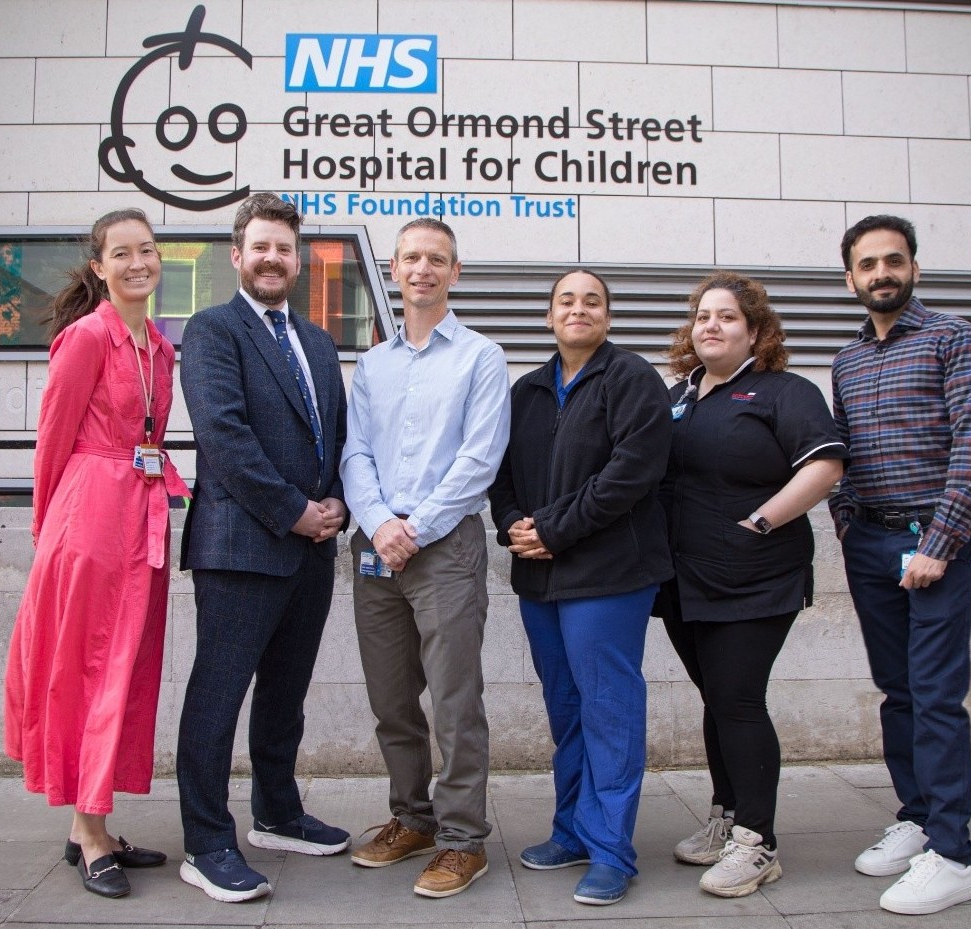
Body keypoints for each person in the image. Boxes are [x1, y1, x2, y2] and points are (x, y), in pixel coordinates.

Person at [4, 208, 190, 898]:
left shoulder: (159, 348)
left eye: (148, 250)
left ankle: (99, 820)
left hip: (139, 518)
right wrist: (49, 530)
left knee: (124, 670)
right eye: (123, 253)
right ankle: (86, 833)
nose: (138, 262)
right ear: (99, 267)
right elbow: (50, 444)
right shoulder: (86, 338)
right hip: (87, 522)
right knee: (89, 667)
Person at [177, 192, 351, 903]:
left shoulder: (316, 341)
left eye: (284, 247)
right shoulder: (213, 330)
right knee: (218, 697)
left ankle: (277, 812)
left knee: (285, 694)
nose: (273, 258)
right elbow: (224, 439)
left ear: (297, 257)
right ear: (237, 255)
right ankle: (207, 841)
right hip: (242, 545)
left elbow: (330, 434)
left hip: (312, 548)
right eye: (261, 246)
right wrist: (296, 512)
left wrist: (336, 501)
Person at [831, 215, 971, 915]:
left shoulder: (953, 338)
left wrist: (938, 540)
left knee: (933, 692)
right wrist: (845, 524)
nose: (880, 273)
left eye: (892, 260)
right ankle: (917, 814)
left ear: (914, 268)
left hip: (935, 538)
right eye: (866, 264)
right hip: (868, 542)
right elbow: (839, 453)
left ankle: (952, 853)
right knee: (895, 687)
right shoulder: (846, 360)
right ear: (849, 277)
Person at [657, 271, 847, 898]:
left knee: (737, 699)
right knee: (717, 698)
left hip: (756, 576)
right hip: (688, 581)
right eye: (703, 316)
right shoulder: (680, 395)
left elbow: (823, 466)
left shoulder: (781, 391)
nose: (711, 326)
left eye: (728, 317)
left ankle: (757, 842)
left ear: (756, 331)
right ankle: (728, 814)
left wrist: (760, 522)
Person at [488, 270, 672, 906]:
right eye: (566, 300)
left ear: (608, 317)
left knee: (608, 709)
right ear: (548, 317)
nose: (579, 309)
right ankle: (571, 830)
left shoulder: (632, 381)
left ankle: (612, 850)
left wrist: (555, 530)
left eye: (592, 300)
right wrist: (513, 524)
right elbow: (501, 473)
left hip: (610, 576)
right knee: (566, 708)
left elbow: (632, 474)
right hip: (540, 577)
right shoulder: (528, 391)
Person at [340, 218, 510, 899]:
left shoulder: (480, 357)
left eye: (435, 259)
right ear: (393, 269)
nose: (422, 269)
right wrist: (380, 523)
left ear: (454, 271)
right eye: (411, 258)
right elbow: (353, 453)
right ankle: (411, 817)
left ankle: (463, 839)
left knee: (453, 699)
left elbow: (479, 458)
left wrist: (416, 526)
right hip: (375, 548)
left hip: (445, 548)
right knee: (390, 699)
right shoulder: (373, 364)